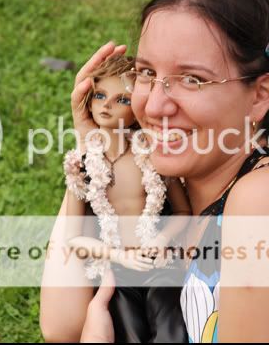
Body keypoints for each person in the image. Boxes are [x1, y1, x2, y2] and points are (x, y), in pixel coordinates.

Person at [41, 0, 269, 343]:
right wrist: (93, 151)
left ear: (259, 95)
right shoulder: (174, 178)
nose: (154, 105)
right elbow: (64, 326)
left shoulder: (268, 202)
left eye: (192, 80)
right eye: (147, 73)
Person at [63, 54, 191, 342]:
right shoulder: (82, 164)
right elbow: (73, 239)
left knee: (172, 331)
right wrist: (118, 256)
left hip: (160, 265)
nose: (106, 105)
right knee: (128, 334)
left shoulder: (152, 155)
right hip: (116, 272)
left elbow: (184, 212)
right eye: (100, 95)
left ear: (138, 109)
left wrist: (161, 239)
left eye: (122, 100)